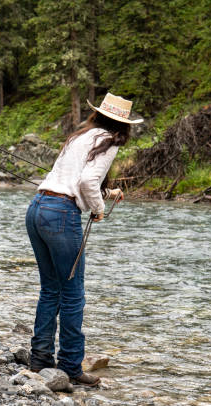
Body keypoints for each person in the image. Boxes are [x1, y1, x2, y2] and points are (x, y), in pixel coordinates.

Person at [25, 93, 143, 386]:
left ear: (98, 115)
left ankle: (40, 360)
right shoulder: (110, 141)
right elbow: (86, 183)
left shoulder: (81, 136)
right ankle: (71, 366)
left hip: (37, 208)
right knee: (73, 292)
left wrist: (107, 193)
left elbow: (74, 181)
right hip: (61, 214)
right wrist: (100, 210)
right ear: (123, 125)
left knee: (51, 288)